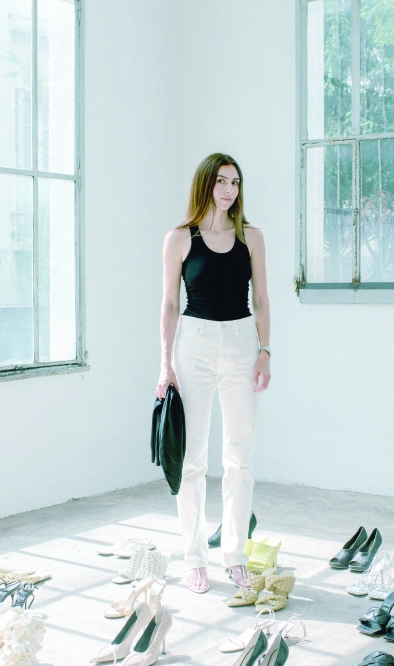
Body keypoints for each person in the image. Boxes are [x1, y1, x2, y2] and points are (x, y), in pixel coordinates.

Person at [156, 153, 271, 594]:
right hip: (195, 345)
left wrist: (264, 350)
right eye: (221, 181)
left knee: (239, 457)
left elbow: (261, 298)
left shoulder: (252, 238)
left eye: (235, 182)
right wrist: (165, 363)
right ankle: (193, 558)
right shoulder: (179, 238)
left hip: (242, 343)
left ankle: (235, 556)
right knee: (191, 459)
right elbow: (168, 304)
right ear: (205, 184)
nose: (229, 190)